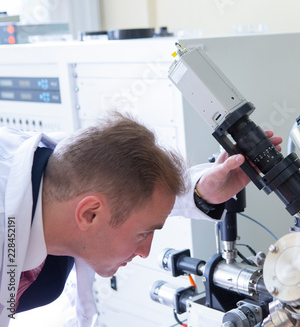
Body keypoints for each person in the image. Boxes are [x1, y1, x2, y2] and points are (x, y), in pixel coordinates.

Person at [0, 113, 282, 326]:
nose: (145, 251)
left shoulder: (58, 171)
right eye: (143, 233)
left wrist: (199, 189)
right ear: (89, 215)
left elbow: (117, 176)